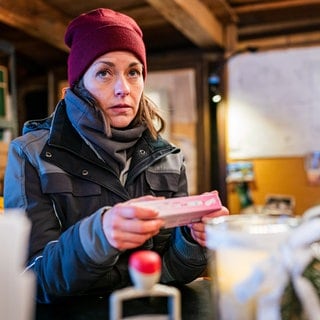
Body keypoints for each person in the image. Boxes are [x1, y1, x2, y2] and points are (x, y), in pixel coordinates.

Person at [4, 8, 228, 303]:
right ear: (80, 84)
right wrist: (99, 235)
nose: (123, 88)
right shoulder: (31, 154)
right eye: (104, 73)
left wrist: (192, 241)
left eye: (133, 72)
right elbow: (31, 280)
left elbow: (170, 273)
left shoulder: (169, 159)